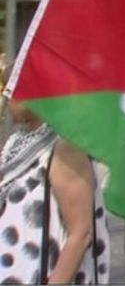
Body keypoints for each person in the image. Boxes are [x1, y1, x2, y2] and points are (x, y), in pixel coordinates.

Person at [0, 92, 109, 284]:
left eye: (15, 87)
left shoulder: (65, 146)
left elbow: (81, 233)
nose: (7, 95)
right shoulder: (14, 143)